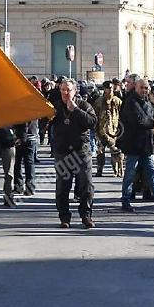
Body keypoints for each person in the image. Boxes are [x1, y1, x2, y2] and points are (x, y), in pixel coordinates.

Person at [118, 78, 154, 214]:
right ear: (136, 88)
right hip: (134, 145)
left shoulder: (148, 103)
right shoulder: (131, 102)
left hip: (147, 145)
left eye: (146, 88)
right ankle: (125, 200)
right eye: (142, 88)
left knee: (152, 173)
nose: (145, 90)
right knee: (130, 174)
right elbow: (138, 120)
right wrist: (151, 124)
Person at [51, 78, 97, 229]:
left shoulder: (84, 105)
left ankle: (86, 216)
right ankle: (64, 217)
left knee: (86, 185)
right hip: (63, 152)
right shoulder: (56, 106)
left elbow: (92, 122)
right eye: (63, 90)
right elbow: (44, 121)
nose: (65, 92)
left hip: (81, 151)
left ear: (75, 91)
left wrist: (76, 110)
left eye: (68, 90)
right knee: (63, 187)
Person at [91, 81, 123, 178]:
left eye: (111, 88)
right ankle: (99, 170)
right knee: (100, 152)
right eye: (108, 88)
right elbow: (94, 116)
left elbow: (122, 115)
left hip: (114, 131)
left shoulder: (117, 101)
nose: (110, 90)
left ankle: (117, 171)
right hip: (101, 130)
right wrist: (95, 130)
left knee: (116, 152)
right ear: (104, 89)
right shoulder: (99, 101)